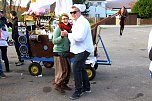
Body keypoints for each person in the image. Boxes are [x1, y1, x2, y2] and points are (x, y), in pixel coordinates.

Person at [62, 5, 94, 100]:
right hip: (81, 48)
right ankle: (86, 87)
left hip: (84, 49)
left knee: (76, 68)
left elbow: (80, 37)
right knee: (81, 68)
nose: (72, 14)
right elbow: (76, 35)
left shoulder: (82, 22)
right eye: (71, 12)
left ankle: (78, 90)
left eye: (74, 12)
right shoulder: (77, 21)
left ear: (79, 12)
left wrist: (68, 34)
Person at [52, 13, 72, 94]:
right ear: (61, 20)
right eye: (64, 19)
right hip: (59, 51)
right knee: (63, 70)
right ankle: (58, 85)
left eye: (67, 18)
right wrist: (61, 37)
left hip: (66, 51)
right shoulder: (58, 29)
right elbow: (54, 41)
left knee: (69, 70)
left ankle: (64, 84)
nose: (65, 20)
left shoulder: (69, 28)